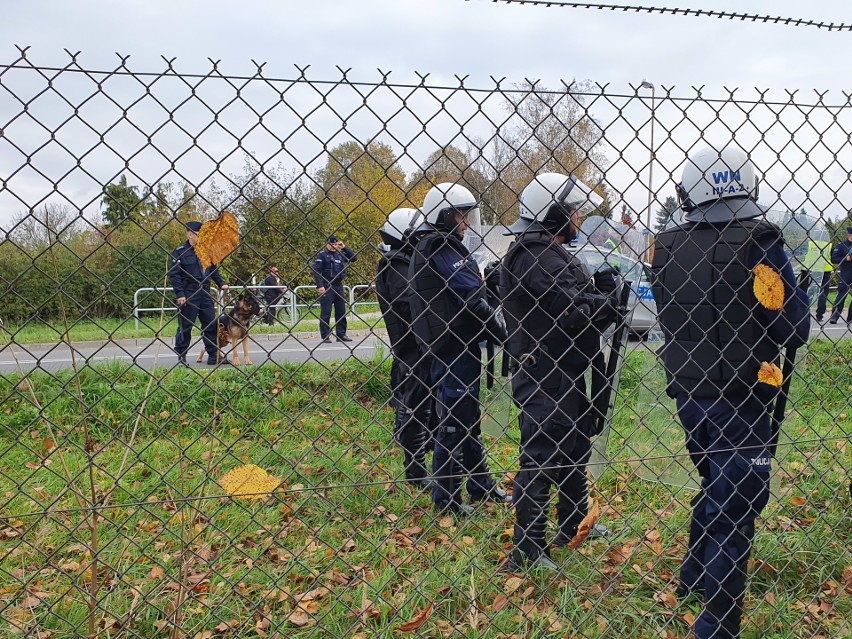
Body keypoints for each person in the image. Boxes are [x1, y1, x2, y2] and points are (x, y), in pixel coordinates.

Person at [651, 145, 810, 639]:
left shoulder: (667, 243)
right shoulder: (758, 241)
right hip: (743, 396)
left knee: (716, 486)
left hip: (689, 394)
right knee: (736, 511)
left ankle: (694, 577)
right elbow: (794, 328)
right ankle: (717, 627)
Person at [499, 172, 615, 572]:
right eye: (573, 210)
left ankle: (572, 524)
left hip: (558, 367)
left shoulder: (541, 250)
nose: (579, 217)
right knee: (543, 455)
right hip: (546, 370)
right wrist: (606, 300)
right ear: (553, 213)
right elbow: (571, 313)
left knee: (572, 447)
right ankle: (527, 551)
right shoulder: (537, 255)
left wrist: (598, 294)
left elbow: (571, 302)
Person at [408, 183, 510, 515]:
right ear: (445, 215)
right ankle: (446, 500)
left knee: (466, 419)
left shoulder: (433, 246)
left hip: (452, 347)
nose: (466, 224)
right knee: (454, 423)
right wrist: (506, 338)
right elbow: (472, 301)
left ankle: (480, 485)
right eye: (461, 216)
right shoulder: (442, 249)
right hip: (455, 349)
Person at [376, 207, 433, 489]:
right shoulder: (395, 264)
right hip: (411, 348)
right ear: (406, 235)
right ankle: (416, 471)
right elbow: (411, 302)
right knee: (414, 407)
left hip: (419, 346)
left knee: (421, 406)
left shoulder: (405, 261)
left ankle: (423, 458)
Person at [169, 220, 230, 366]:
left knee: (210, 324)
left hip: (206, 292)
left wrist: (221, 283)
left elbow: (213, 270)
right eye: (199, 234)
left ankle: (213, 355)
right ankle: (181, 356)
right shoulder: (179, 252)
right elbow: (174, 275)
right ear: (190, 234)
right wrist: (180, 294)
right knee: (186, 326)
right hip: (189, 292)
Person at [312, 235, 357, 343]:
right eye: (332, 244)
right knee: (326, 312)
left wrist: (344, 248)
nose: (333, 246)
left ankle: (341, 334)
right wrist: (320, 286)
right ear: (327, 244)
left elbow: (354, 258)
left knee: (341, 311)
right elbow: (316, 271)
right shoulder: (322, 256)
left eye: (335, 244)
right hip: (327, 285)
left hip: (338, 286)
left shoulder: (340, 255)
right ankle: (325, 335)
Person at [828, 227, 852, 324]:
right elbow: (834, 259)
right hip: (846, 273)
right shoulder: (842, 246)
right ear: (850, 235)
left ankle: (850, 318)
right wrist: (846, 259)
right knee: (841, 295)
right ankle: (834, 316)